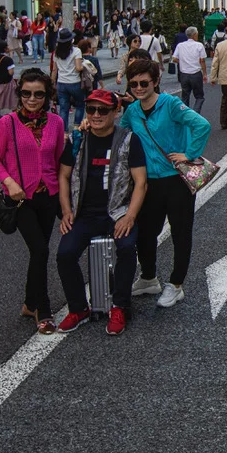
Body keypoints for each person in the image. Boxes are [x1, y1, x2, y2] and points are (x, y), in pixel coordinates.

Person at [119, 59, 211, 308]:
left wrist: (189, 154)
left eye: (144, 83)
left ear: (156, 82)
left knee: (181, 232)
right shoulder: (133, 111)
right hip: (147, 182)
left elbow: (202, 125)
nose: (138, 88)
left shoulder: (170, 104)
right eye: (134, 83)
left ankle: (176, 284)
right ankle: (149, 278)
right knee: (146, 233)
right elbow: (120, 134)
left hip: (176, 180)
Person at [55, 90, 148, 336]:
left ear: (116, 112)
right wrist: (66, 210)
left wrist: (130, 216)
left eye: (103, 110)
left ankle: (120, 305)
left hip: (117, 212)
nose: (96, 115)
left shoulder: (129, 139)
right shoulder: (77, 139)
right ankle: (78, 308)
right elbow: (63, 176)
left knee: (127, 248)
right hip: (83, 213)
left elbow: (141, 182)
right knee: (64, 254)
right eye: (91, 110)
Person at [0, 69, 66, 333]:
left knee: (39, 251)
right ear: (19, 94)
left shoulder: (56, 122)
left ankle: (29, 302)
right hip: (21, 199)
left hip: (49, 196)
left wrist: (64, 200)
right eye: (26, 93)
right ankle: (42, 308)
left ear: (47, 95)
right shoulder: (7, 124)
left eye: (38, 94)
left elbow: (58, 161)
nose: (32, 99)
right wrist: (9, 182)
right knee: (41, 250)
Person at [51, 28, 85, 128]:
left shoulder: (56, 52)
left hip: (61, 83)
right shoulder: (76, 51)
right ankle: (76, 127)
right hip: (74, 82)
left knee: (63, 108)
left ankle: (64, 131)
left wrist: (52, 82)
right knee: (80, 105)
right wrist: (84, 65)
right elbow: (78, 68)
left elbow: (54, 70)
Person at [172, 27, 208, 114]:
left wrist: (183, 61)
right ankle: (195, 113)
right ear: (195, 35)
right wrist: (205, 74)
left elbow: (174, 58)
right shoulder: (199, 45)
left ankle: (185, 114)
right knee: (199, 97)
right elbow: (202, 60)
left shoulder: (180, 45)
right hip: (195, 73)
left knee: (185, 96)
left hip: (184, 74)